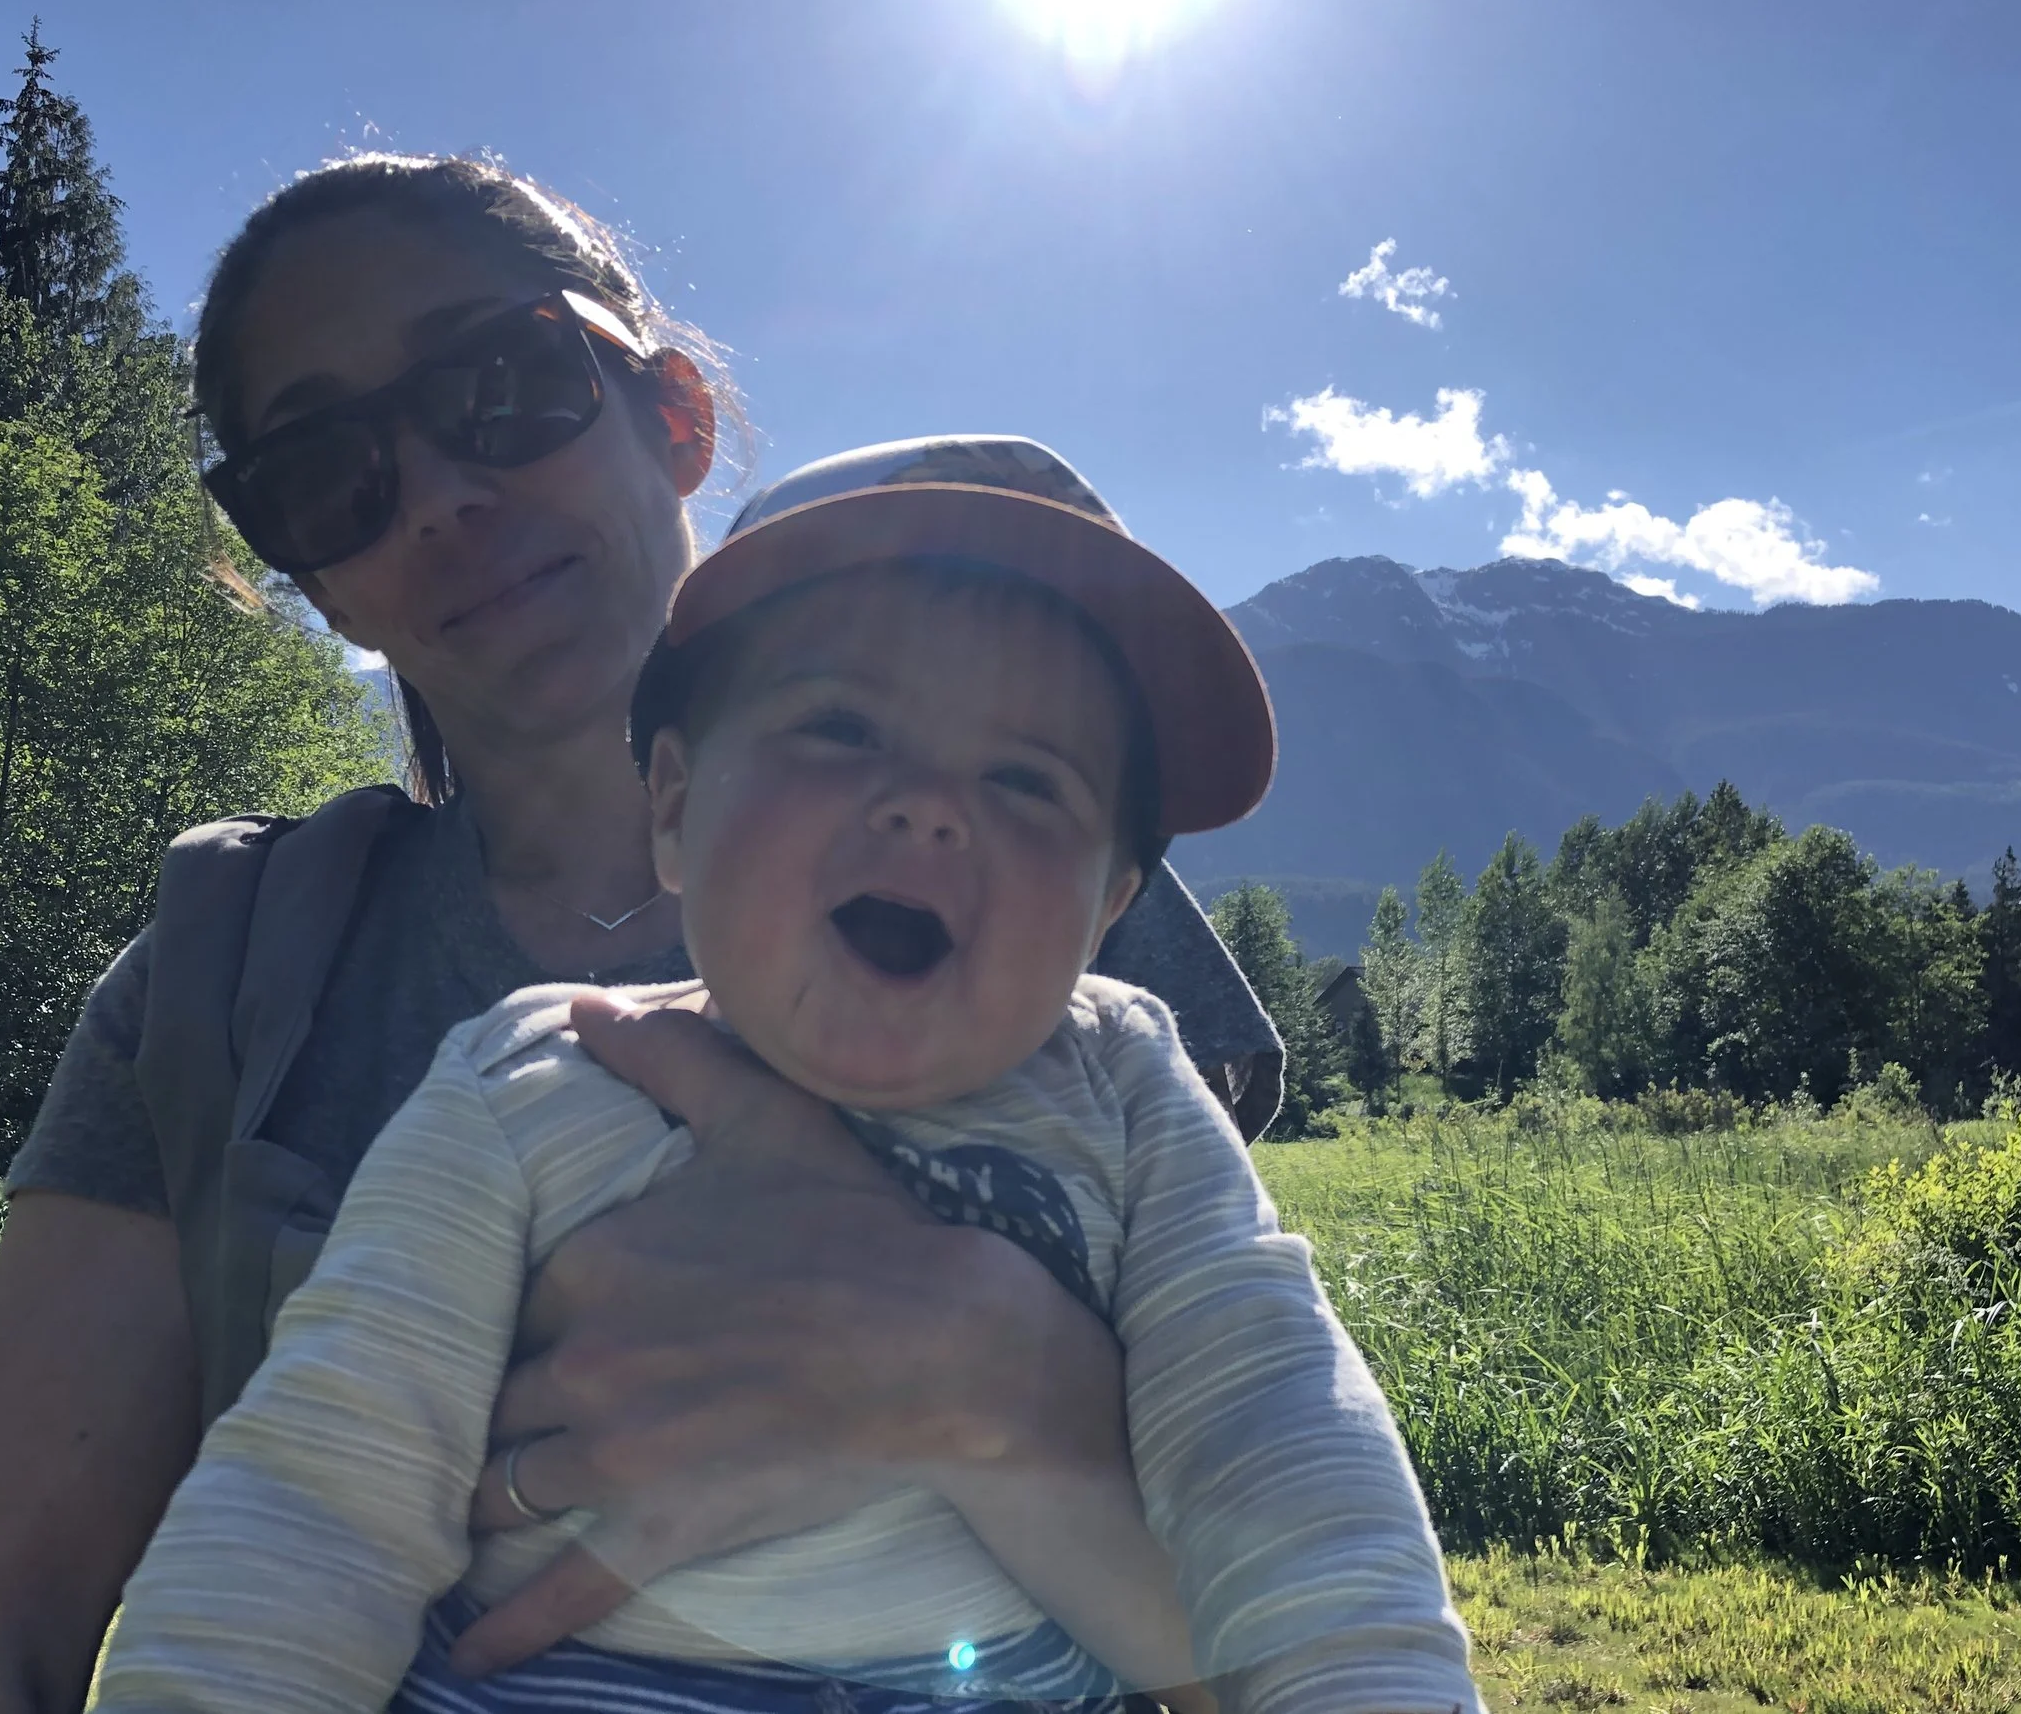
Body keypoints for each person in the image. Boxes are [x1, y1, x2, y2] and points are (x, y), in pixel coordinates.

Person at [0, 156, 1285, 1714]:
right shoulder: (222, 980)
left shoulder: (1035, 888)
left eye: (500, 380)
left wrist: (1002, 1387)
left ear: (675, 416)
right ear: (309, 574)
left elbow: (1295, 1578)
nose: (441, 493)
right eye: (325, 469)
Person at [92, 441, 1478, 1714]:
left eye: (1028, 780)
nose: (930, 804)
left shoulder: (1127, 1091)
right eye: (841, 730)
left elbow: (1285, 1457)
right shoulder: (531, 1071)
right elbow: (322, 1496)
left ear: (1112, 906)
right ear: (679, 808)